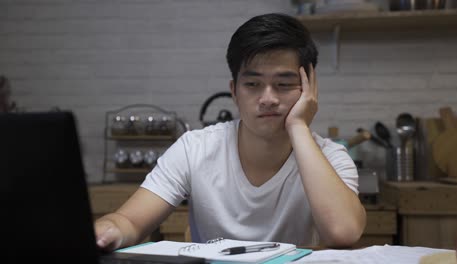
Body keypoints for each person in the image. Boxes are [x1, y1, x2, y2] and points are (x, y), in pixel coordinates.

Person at [94, 13, 366, 251]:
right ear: (234, 91)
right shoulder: (195, 148)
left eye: (284, 84)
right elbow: (129, 221)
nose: (268, 98)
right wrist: (109, 229)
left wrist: (298, 126)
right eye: (253, 84)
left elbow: (342, 232)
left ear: (309, 90)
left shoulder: (331, 157)